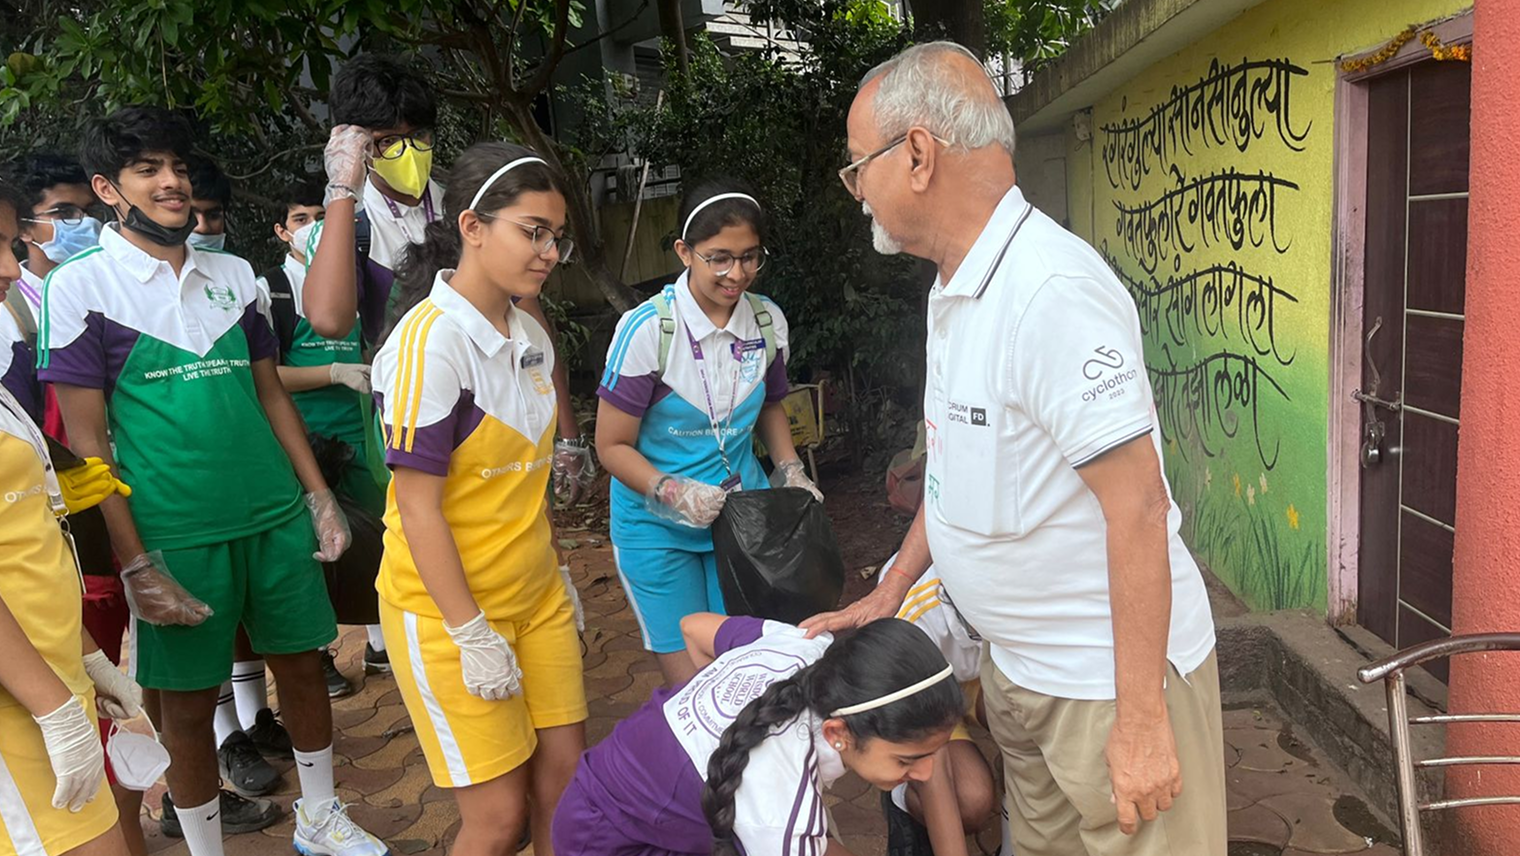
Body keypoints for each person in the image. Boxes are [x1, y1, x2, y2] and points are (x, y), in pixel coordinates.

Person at [808, 41, 1225, 856]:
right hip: (1021, 676)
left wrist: (1140, 722)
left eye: (859, 167)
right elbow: (955, 465)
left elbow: (1138, 507)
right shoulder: (956, 289)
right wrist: (893, 583)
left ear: (918, 155)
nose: (857, 191)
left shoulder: (1050, 293)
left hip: (1105, 689)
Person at [37, 106, 388, 856]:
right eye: (147, 170)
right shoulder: (81, 288)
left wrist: (318, 496)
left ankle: (320, 818)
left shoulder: (233, 275)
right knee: (190, 704)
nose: (171, 182)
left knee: (300, 662)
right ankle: (204, 848)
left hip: (272, 514)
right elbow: (89, 443)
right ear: (108, 187)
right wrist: (135, 563)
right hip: (173, 531)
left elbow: (269, 394)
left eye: (177, 167)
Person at [371, 142, 586, 856]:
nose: (549, 251)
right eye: (533, 230)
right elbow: (419, 508)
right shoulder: (428, 345)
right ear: (471, 226)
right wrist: (470, 635)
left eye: (557, 236)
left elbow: (526, 480)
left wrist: (556, 570)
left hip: (535, 597)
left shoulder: (529, 335)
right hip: (448, 615)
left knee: (565, 781)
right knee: (498, 818)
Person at [311, 53, 595, 508]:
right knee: (426, 527)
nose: (408, 151)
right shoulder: (349, 223)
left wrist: (568, 433)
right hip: (413, 420)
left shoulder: (468, 206)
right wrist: (342, 189)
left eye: (418, 136)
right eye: (387, 141)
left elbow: (530, 324)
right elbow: (329, 318)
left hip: (501, 414)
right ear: (356, 144)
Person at [595, 181, 821, 687]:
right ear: (684, 252)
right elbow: (610, 445)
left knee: (745, 675)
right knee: (695, 688)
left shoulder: (766, 322)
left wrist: (789, 468)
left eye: (749, 258)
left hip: (742, 525)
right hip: (656, 530)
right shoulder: (649, 330)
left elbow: (771, 403)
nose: (735, 274)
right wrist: (671, 490)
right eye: (719, 258)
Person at [553, 613, 963, 856]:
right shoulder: (775, 798)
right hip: (610, 841)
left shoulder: (808, 645)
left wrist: (713, 732)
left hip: (609, 798)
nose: (927, 773)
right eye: (907, 760)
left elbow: (694, 627)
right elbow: (784, 818)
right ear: (837, 732)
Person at [0, 177, 142, 856]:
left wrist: (86, 660)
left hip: (45, 676)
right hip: (17, 705)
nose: (8, 264)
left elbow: (29, 541)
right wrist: (55, 710)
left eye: (6, 244)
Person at [255, 180, 391, 694]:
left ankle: (382, 642)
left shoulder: (356, 278)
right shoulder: (273, 290)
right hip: (305, 438)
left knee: (379, 533)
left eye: (321, 215)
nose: (312, 227)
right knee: (313, 548)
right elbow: (262, 375)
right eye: (300, 219)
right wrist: (333, 371)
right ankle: (321, 653)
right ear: (281, 231)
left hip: (364, 428)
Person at [875, 556, 1006, 856]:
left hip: (981, 677)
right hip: (926, 693)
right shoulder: (912, 621)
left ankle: (1013, 772)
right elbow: (934, 767)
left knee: (1026, 723)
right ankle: (901, 791)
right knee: (971, 802)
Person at [186, 156, 230, 252]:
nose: (202, 228)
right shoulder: (146, 266)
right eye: (189, 214)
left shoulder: (239, 266)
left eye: (213, 216)